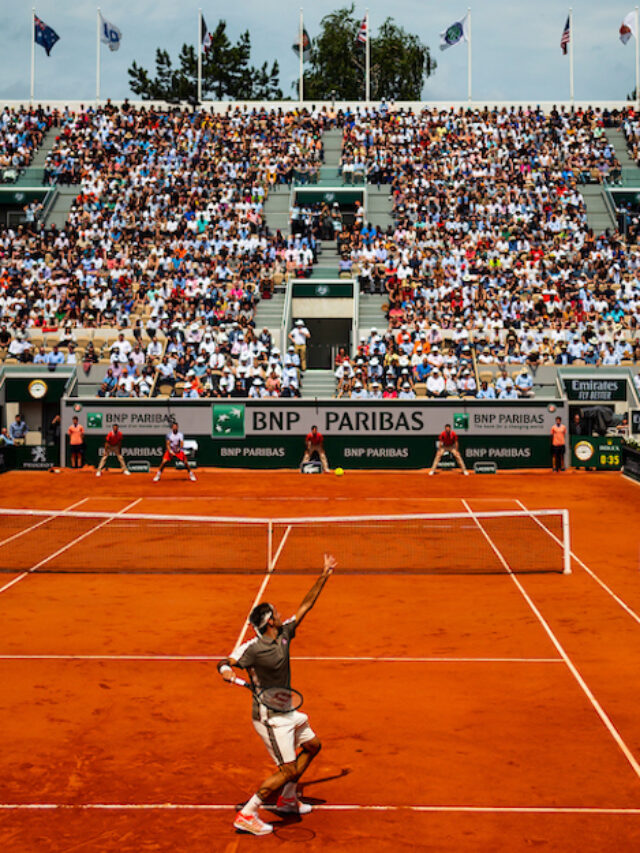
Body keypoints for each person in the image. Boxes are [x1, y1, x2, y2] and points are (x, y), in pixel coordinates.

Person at [218, 553, 337, 836]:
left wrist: (324, 576)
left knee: (312, 746)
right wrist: (226, 672)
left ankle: (286, 799)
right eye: (276, 612)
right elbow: (225, 662)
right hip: (269, 717)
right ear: (269, 620)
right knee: (286, 770)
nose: (281, 613)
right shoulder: (251, 649)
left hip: (287, 710)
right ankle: (247, 813)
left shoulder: (284, 634)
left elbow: (306, 606)